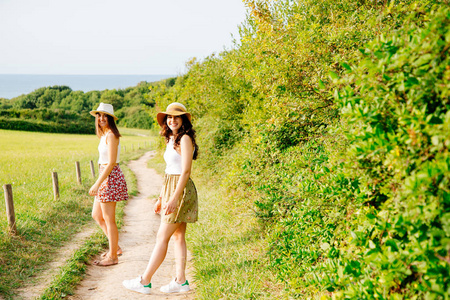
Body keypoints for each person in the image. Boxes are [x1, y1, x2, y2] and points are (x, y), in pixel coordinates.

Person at [123, 102, 198, 294]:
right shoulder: (171, 139)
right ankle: (181, 282)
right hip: (170, 187)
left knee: (161, 236)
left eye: (176, 117)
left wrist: (173, 198)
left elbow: (186, 171)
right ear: (166, 120)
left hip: (180, 189)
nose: (172, 120)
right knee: (178, 235)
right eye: (169, 117)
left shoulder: (185, 139)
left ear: (183, 120)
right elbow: (169, 170)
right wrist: (161, 196)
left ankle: (144, 281)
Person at [89, 102, 129, 266]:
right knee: (97, 215)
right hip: (104, 175)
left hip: (109, 177)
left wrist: (97, 183)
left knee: (108, 218)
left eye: (106, 116)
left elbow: (111, 162)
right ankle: (115, 248)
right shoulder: (104, 135)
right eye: (99, 115)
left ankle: (113, 256)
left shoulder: (112, 135)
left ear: (111, 119)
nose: (102, 118)